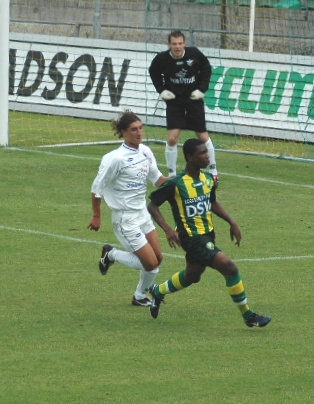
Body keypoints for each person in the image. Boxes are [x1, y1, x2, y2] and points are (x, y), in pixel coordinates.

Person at [146, 138, 271, 328]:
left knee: (192, 276)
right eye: (203, 153)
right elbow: (152, 204)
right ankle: (249, 316)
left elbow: (211, 203)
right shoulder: (177, 183)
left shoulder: (206, 179)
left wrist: (231, 221)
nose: (208, 156)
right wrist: (168, 229)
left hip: (208, 234)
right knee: (229, 267)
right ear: (190, 157)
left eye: (207, 152)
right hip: (192, 238)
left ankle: (158, 291)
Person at [88, 110, 167, 307]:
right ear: (123, 132)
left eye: (140, 128)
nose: (139, 133)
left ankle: (139, 296)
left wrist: (183, 181)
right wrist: (96, 216)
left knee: (158, 259)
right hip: (125, 219)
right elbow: (96, 188)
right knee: (149, 263)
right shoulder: (115, 159)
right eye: (134, 129)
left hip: (143, 214)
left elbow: (158, 180)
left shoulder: (146, 151)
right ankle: (111, 254)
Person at [148, 30, 219, 182]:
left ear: (184, 43)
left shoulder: (194, 54)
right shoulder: (161, 59)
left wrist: (201, 89)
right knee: (172, 138)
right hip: (174, 101)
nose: (178, 47)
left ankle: (213, 170)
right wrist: (162, 90)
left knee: (202, 135)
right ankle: (172, 174)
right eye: (174, 44)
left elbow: (206, 68)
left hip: (194, 99)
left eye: (180, 43)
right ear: (169, 45)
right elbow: (153, 72)